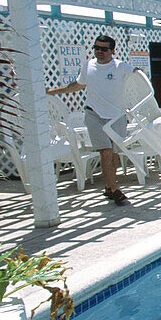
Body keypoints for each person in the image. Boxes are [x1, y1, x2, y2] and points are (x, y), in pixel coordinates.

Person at [47, 34, 140, 205]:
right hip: (94, 114)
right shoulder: (88, 66)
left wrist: (143, 84)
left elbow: (137, 73)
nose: (99, 51)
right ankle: (115, 189)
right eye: (96, 48)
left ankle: (108, 187)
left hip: (116, 116)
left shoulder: (120, 66)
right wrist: (52, 91)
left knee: (113, 154)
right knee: (105, 151)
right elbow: (77, 85)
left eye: (104, 49)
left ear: (112, 50)